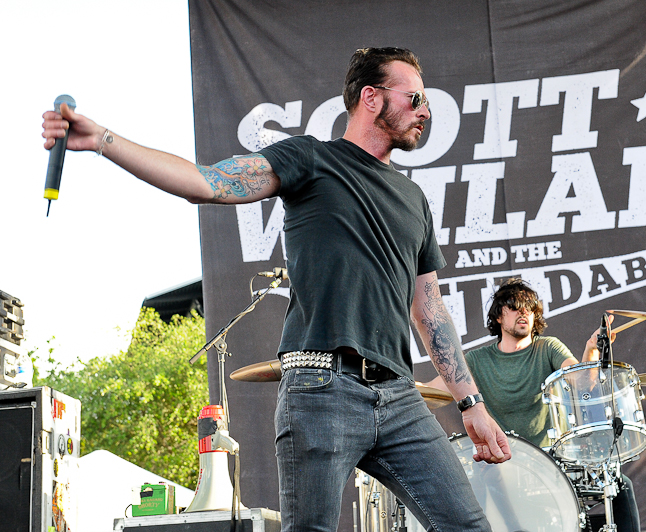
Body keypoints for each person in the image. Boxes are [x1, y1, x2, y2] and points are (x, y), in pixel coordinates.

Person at [42, 47, 511, 532]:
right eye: (415, 97)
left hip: (398, 395)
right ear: (371, 97)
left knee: (469, 527)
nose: (425, 111)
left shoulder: (412, 198)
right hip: (323, 386)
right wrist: (103, 139)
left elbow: (429, 310)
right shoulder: (311, 158)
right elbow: (206, 183)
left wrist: (471, 404)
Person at [429, 277, 641, 532]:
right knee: (477, 479)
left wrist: (592, 349)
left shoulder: (548, 347)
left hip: (549, 458)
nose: (524, 312)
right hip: (501, 461)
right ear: (498, 316)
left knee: (619, 484)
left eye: (530, 308)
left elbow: (583, 384)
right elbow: (431, 393)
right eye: (515, 306)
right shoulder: (477, 359)